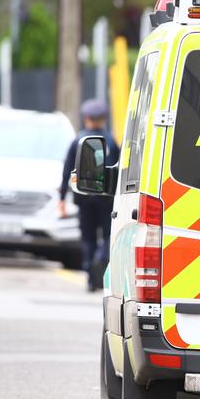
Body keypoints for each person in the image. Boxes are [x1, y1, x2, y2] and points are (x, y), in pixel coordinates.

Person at [58, 99, 120, 291]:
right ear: (103, 119)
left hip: (83, 197)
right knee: (109, 234)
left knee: (87, 237)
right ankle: (100, 258)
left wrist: (61, 198)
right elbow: (119, 169)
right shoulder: (111, 141)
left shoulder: (78, 141)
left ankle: (89, 275)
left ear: (86, 118)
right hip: (106, 197)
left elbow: (67, 170)